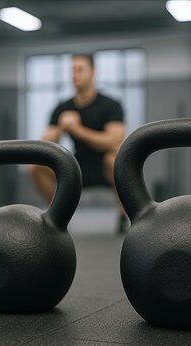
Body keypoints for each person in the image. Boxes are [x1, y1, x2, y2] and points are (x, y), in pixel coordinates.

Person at [28, 54, 128, 233]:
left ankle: (122, 215)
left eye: (80, 69)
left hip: (104, 165)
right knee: (35, 167)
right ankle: (59, 216)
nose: (75, 75)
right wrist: (59, 128)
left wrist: (77, 130)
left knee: (116, 160)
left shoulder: (110, 105)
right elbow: (45, 145)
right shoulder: (63, 108)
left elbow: (114, 140)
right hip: (77, 165)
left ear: (93, 72)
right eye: (72, 70)